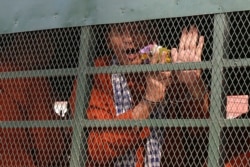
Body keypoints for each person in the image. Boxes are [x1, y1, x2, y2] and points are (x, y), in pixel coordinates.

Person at [69, 22, 209, 166]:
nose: (129, 38)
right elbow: (96, 149)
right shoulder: (96, 74)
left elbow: (201, 130)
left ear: (153, 36)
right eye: (119, 30)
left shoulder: (168, 69)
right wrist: (147, 104)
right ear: (108, 40)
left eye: (137, 29)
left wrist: (193, 83)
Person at [0, 32, 68, 167]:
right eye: (49, 41)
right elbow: (49, 145)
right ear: (23, 39)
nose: (52, 51)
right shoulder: (31, 80)